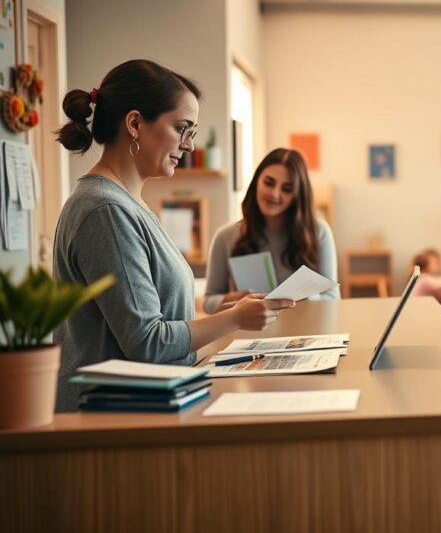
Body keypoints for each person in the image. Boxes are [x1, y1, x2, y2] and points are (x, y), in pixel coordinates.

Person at [52, 60, 293, 412]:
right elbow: (147, 342)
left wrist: (225, 312)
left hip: (146, 404)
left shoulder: (126, 203)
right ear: (135, 123)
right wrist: (234, 319)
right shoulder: (106, 210)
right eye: (182, 128)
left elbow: (152, 314)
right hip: (110, 420)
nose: (190, 145)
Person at [203, 148, 338, 313]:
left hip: (305, 332)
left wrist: (306, 297)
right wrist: (237, 298)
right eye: (269, 183)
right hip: (249, 334)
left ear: (297, 195)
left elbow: (333, 298)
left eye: (287, 189)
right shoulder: (225, 236)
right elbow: (208, 303)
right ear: (256, 182)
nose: (275, 194)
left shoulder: (319, 232)